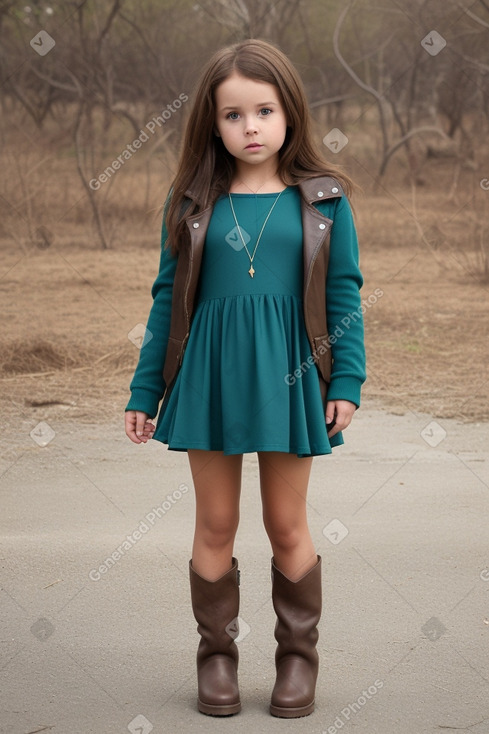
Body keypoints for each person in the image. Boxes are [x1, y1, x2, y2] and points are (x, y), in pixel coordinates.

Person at [125, 38, 366, 719]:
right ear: (212, 121)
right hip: (210, 375)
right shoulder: (192, 199)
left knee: (286, 523)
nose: (250, 127)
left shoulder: (323, 199)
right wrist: (147, 390)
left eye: (264, 110)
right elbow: (167, 299)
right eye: (233, 115)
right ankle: (218, 663)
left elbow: (344, 294)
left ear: (289, 113)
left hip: (292, 377)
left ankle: (296, 662)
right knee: (217, 521)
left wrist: (344, 380)